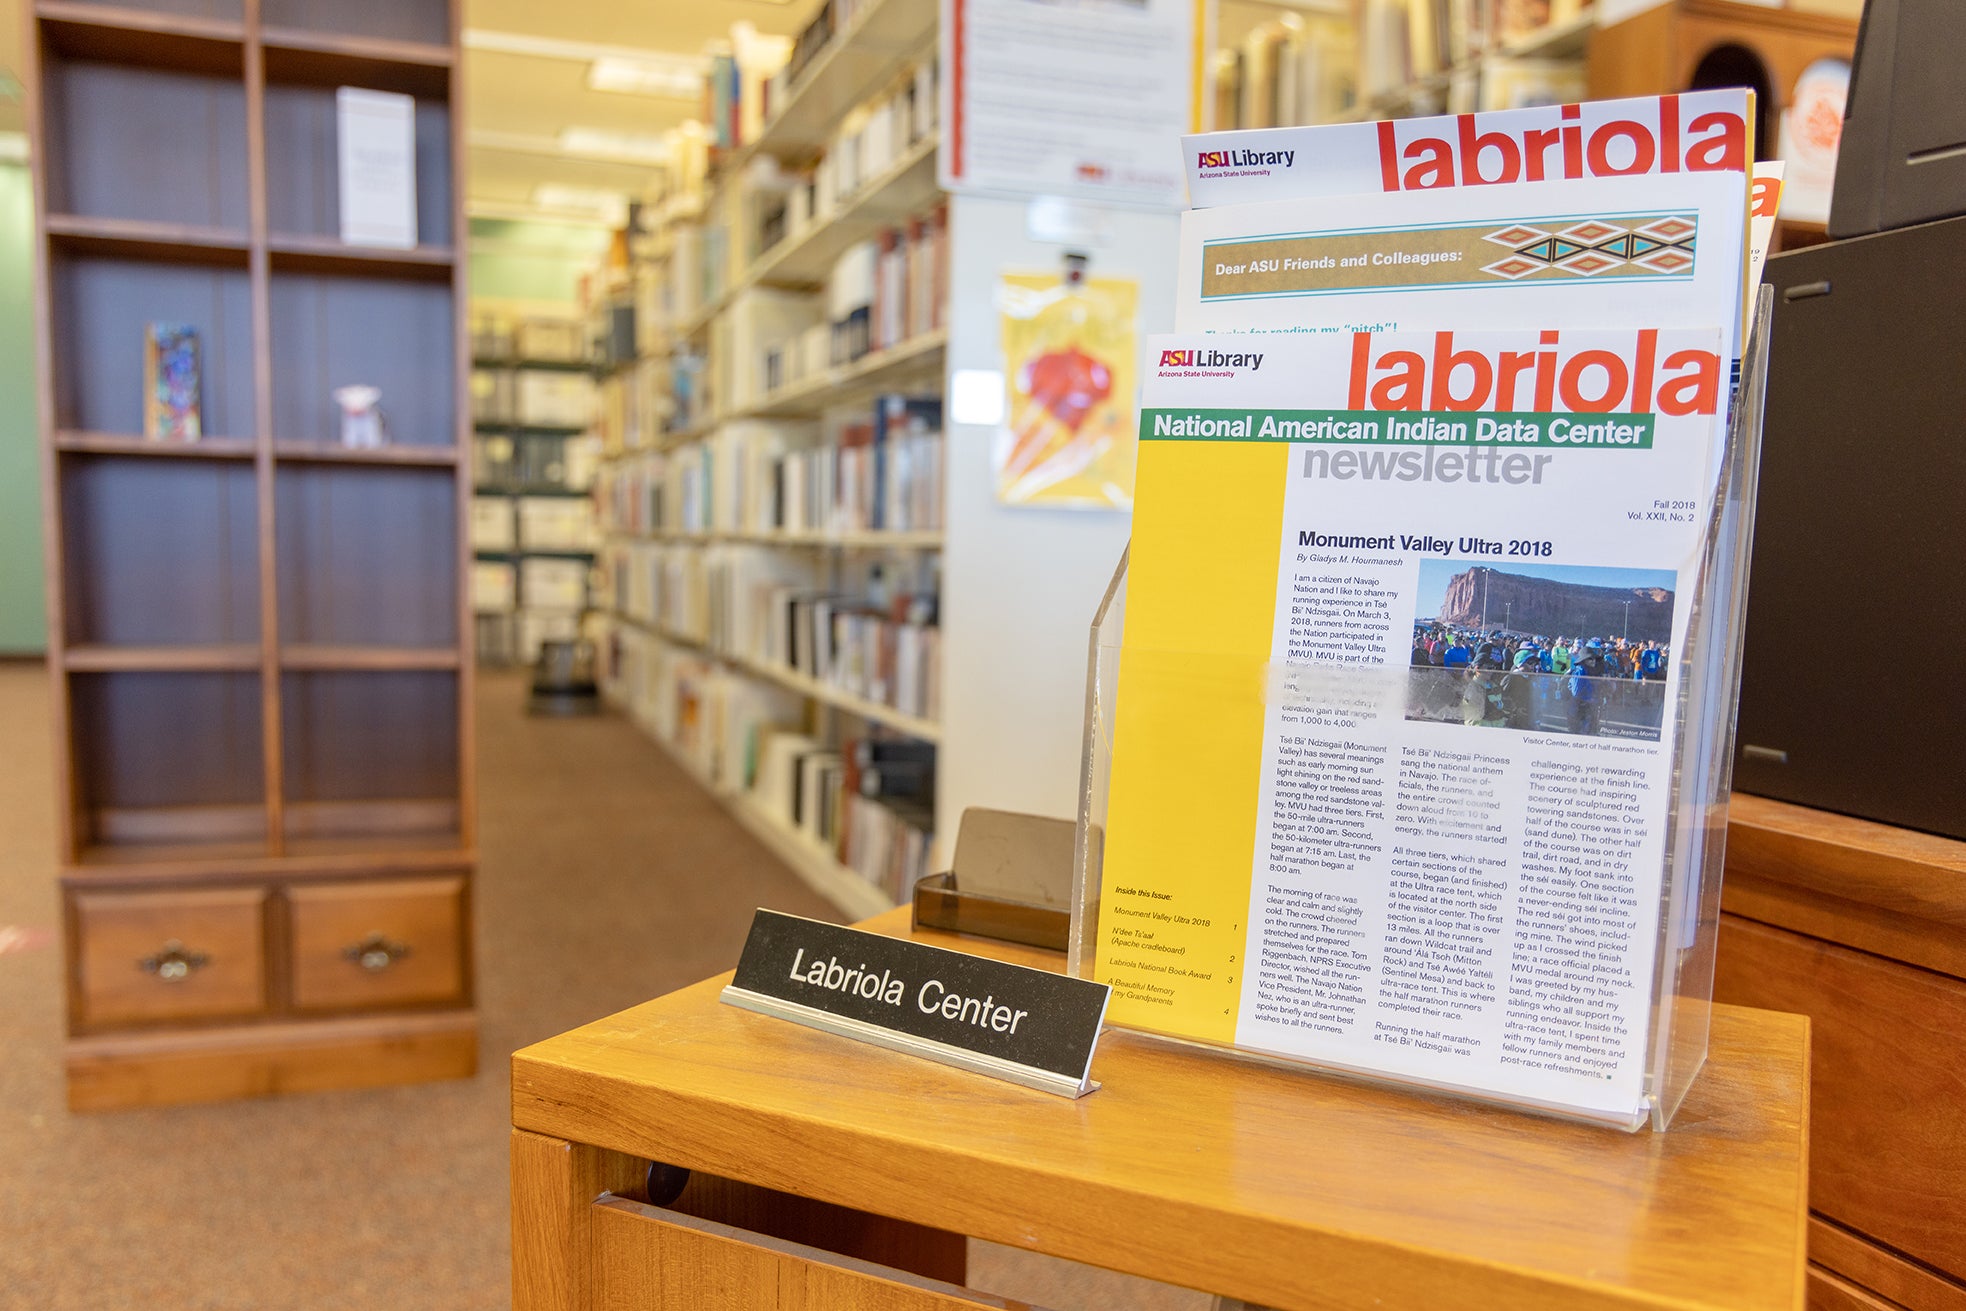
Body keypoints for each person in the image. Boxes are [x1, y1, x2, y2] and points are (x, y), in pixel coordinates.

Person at [1570, 638, 1607, 735]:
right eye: (1590, 658)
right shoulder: (1580, 671)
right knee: (1583, 733)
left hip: (1591, 706)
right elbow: (1576, 692)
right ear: (1584, 660)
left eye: (1594, 658)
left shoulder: (1590, 670)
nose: (1593, 660)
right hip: (1582, 709)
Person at [1502, 647, 1540, 730]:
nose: (1533, 665)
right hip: (1515, 722)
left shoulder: (1530, 678)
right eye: (1530, 662)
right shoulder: (1511, 678)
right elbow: (1503, 697)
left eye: (1534, 663)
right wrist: (1515, 709)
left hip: (1527, 719)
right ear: (1520, 663)